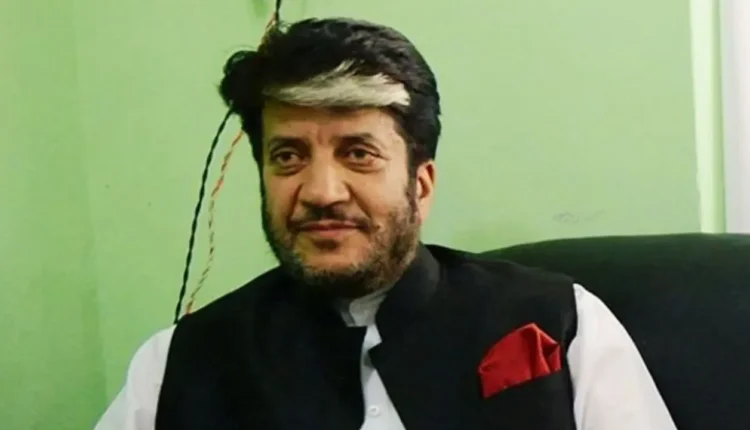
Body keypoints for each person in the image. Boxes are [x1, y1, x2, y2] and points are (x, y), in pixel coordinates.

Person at [95, 17, 677, 430]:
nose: (321, 192)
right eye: (288, 156)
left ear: (421, 185)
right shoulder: (176, 365)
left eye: (358, 153)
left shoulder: (565, 324)